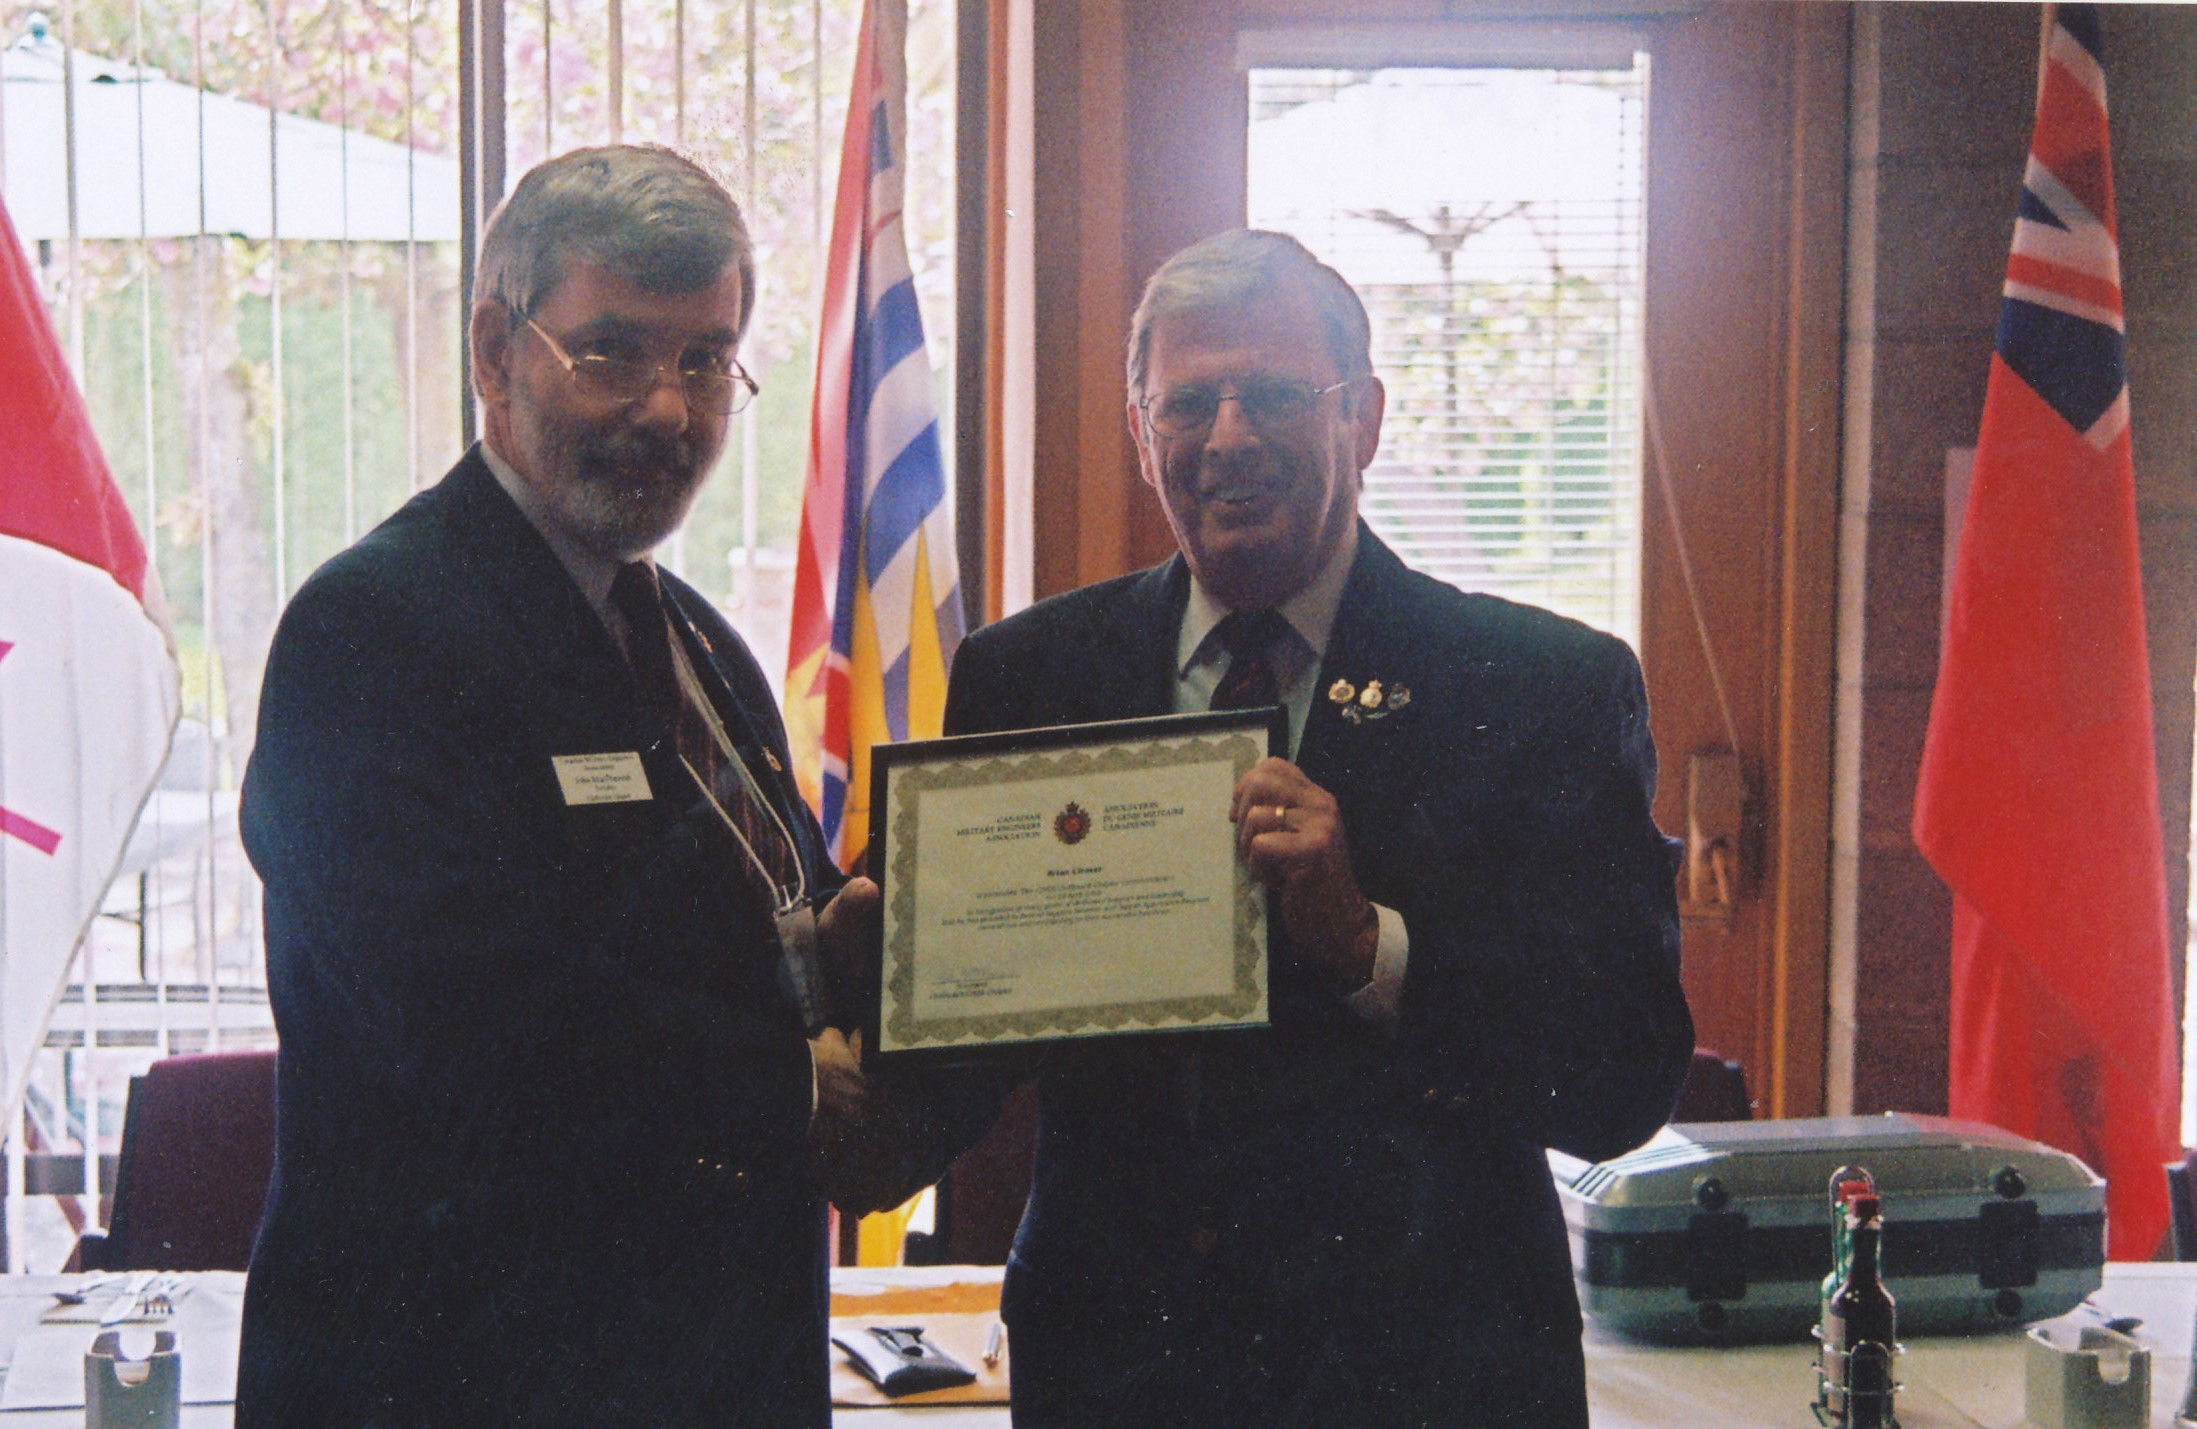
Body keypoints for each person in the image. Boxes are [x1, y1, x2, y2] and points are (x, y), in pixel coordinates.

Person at [940, 229, 1695, 1426]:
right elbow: (960, 1050)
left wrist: (1365, 945)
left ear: (1367, 420)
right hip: (1118, 1373)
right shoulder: (1025, 677)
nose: (1229, 435)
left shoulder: (1540, 686)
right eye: (1189, 401)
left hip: (1427, 1373)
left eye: (1277, 394)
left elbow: (1621, 1074)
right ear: (1143, 434)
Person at [236, 146, 891, 1426]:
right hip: (464, 1380)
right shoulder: (371, 635)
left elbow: (736, 936)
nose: (668, 408)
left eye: (705, 358)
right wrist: (802, 1086)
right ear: (494, 351)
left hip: (712, 1367)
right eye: (613, 352)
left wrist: (857, 947)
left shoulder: (701, 643)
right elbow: (474, 1024)